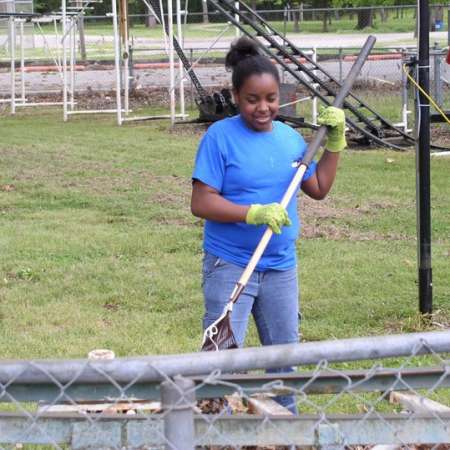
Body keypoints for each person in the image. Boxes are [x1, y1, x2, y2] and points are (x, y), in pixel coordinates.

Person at [191, 36, 346, 414]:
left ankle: (284, 431)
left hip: (280, 267)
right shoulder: (219, 138)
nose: (264, 108)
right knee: (221, 361)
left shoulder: (291, 139)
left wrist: (336, 144)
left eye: (272, 98)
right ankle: (218, 435)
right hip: (230, 265)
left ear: (281, 95)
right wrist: (253, 213)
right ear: (235, 96)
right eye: (252, 99)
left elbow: (319, 188)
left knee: (284, 361)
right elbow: (201, 201)